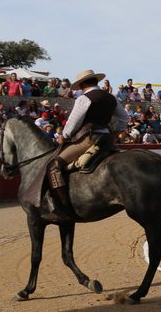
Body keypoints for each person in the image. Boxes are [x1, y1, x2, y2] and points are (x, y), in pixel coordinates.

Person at [47, 70, 128, 217]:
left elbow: (73, 122)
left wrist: (63, 136)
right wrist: (115, 132)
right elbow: (124, 117)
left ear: (83, 84)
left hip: (88, 139)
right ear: (95, 81)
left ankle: (64, 206)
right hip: (107, 139)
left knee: (54, 165)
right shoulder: (111, 97)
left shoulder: (84, 98)